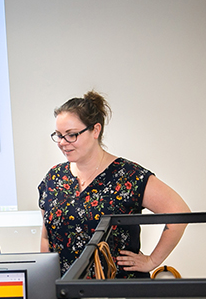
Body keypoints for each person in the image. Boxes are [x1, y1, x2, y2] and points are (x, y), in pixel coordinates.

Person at [38, 91, 190, 278]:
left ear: (95, 130)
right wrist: (46, 281)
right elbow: (47, 238)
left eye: (71, 135)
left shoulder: (128, 175)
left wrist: (152, 261)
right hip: (68, 293)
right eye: (59, 135)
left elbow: (179, 213)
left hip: (119, 293)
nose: (62, 143)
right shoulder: (54, 178)